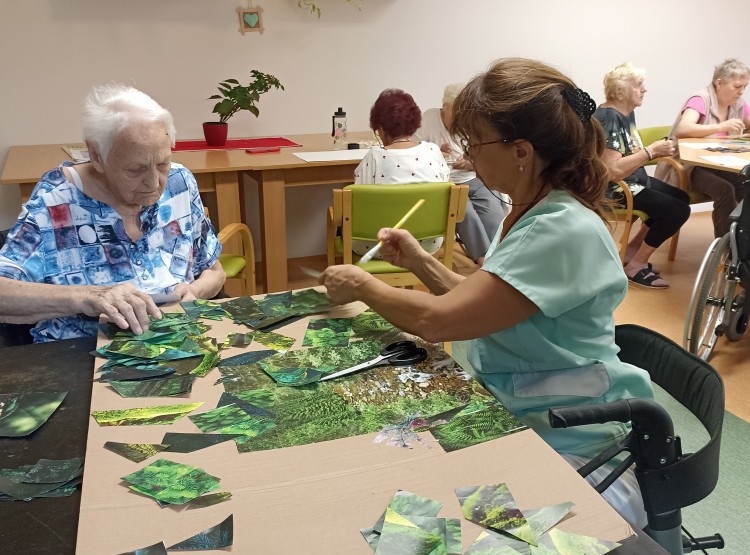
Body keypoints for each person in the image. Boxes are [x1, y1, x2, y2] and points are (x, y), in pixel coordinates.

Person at [320, 58, 654, 528]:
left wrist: (362, 284)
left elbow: (440, 321)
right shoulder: (529, 211)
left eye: (475, 143)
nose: (469, 156)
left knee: (408, 514)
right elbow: (485, 304)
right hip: (526, 415)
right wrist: (420, 261)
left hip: (578, 447)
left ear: (520, 151)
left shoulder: (560, 228)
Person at [0, 84, 225, 342]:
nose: (154, 183)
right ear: (97, 156)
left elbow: (215, 272)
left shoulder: (179, 182)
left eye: (162, 163)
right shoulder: (56, 200)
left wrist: (195, 292)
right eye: (135, 169)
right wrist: (90, 296)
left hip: (176, 342)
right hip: (82, 354)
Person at [594, 63, 691, 289]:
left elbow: (628, 152)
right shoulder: (608, 118)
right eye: (638, 85)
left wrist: (654, 150)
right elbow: (611, 171)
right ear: (620, 91)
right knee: (677, 210)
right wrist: (651, 151)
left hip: (633, 180)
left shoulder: (626, 114)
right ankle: (636, 265)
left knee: (681, 198)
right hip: (615, 188)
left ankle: (630, 250)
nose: (644, 90)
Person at [415, 83, 509, 265]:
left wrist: (471, 163)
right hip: (445, 183)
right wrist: (435, 151)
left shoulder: (473, 122)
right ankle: (485, 262)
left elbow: (487, 154)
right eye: (456, 114)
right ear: (445, 107)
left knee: (493, 210)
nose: (461, 120)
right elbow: (413, 151)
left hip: (472, 179)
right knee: (465, 212)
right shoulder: (428, 119)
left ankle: (500, 258)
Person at [656, 58, 750, 238]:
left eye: (745, 87)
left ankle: (738, 240)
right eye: (737, 86)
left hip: (716, 164)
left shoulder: (738, 103)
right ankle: (724, 247)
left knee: (744, 182)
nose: (741, 91)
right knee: (725, 190)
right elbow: (683, 129)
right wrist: (722, 127)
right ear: (720, 83)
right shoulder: (701, 99)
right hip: (687, 166)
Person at [352, 88, 450, 256]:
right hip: (427, 244)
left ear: (381, 129)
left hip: (380, 246)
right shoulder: (434, 151)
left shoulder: (374, 157)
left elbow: (357, 206)